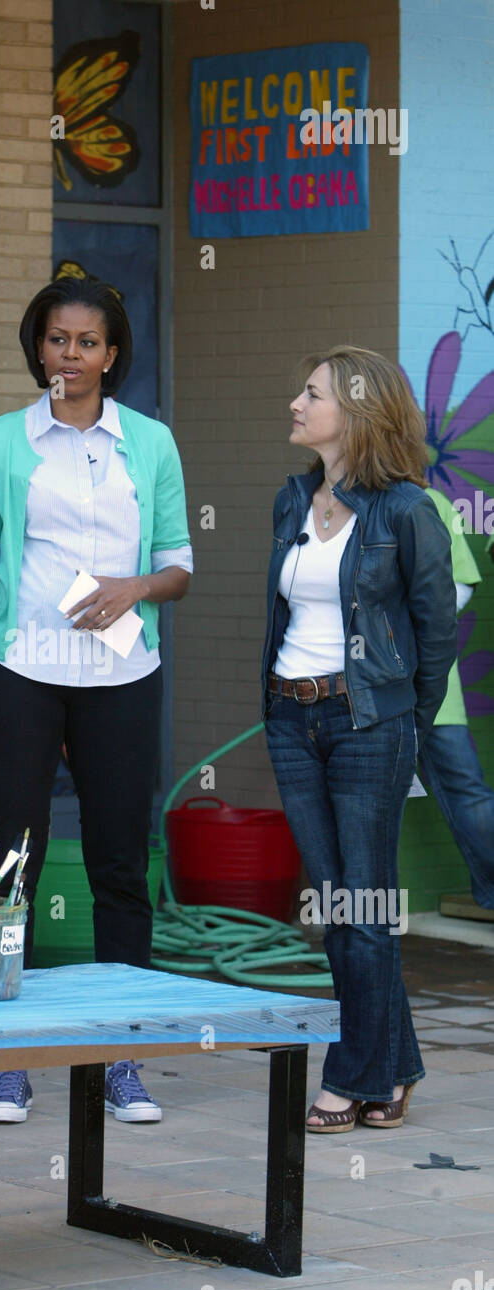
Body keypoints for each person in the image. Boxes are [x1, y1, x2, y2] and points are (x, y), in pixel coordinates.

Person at [0, 275, 192, 1123]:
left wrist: (131, 584)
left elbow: (178, 568)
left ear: (111, 355)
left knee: (117, 863)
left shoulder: (150, 443)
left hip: (118, 674)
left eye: (87, 343)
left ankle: (120, 1056)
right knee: (10, 861)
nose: (70, 355)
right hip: (19, 668)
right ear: (38, 346)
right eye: (56, 339)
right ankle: (11, 1060)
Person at [261, 345, 456, 1134]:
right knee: (335, 901)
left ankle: (349, 1074)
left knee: (360, 905)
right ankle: (395, 1067)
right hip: (289, 718)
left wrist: (399, 718)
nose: (294, 405)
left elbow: (434, 633)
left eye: (310, 394)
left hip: (366, 723)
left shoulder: (405, 510)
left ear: (355, 412)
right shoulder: (290, 501)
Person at [417, 488, 494, 922]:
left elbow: (462, 581)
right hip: (357, 688)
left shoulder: (431, 502)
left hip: (433, 686)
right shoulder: (329, 498)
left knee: (467, 791)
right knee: (363, 802)